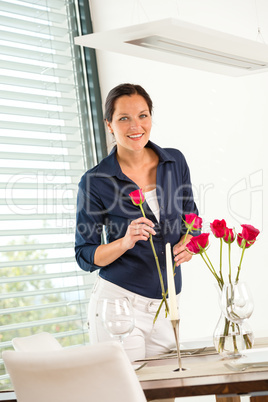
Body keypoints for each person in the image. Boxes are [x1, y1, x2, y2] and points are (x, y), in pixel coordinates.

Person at [75, 83, 199, 363]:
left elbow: (193, 218)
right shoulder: (95, 181)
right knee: (127, 393)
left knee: (169, 392)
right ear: (109, 124)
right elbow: (84, 255)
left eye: (143, 115)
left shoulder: (174, 161)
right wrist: (124, 241)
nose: (136, 126)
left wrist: (190, 244)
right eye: (124, 118)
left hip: (168, 306)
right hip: (119, 305)